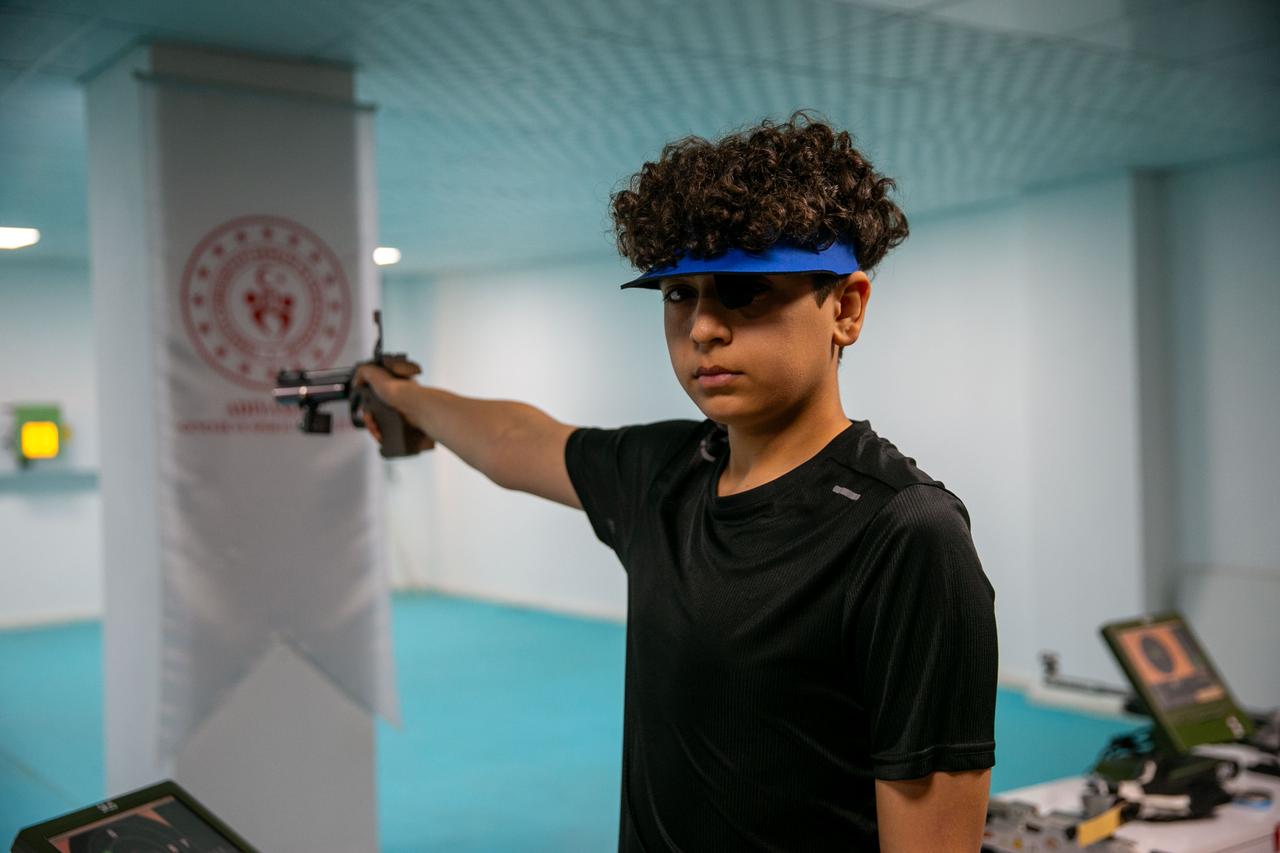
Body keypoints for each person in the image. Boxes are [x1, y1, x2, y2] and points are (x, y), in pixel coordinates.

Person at [356, 112, 998, 852]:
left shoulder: (907, 533)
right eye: (678, 294)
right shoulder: (668, 473)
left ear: (846, 308)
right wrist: (397, 394)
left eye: (743, 292)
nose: (701, 327)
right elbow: (515, 439)